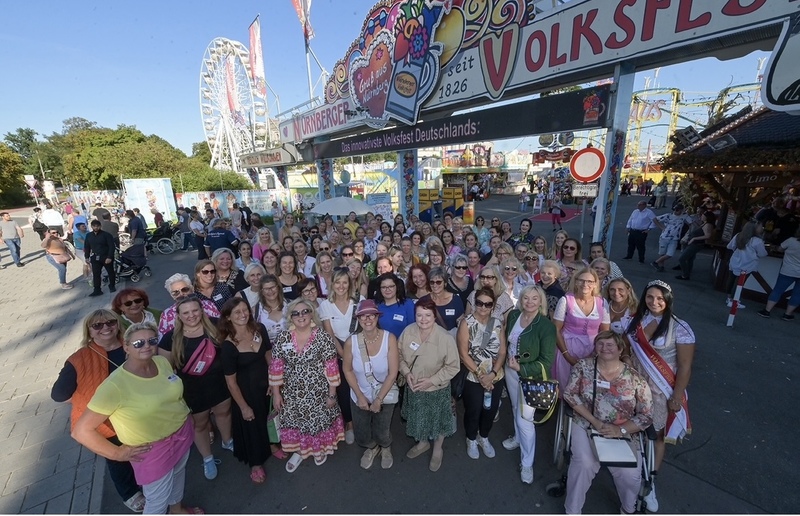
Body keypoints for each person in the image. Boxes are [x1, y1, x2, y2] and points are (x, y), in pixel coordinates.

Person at [72, 322, 202, 514]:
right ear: (126, 346)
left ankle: (177, 509)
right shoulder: (114, 385)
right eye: (139, 343)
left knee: (178, 476)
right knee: (157, 502)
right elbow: (80, 431)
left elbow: (173, 393)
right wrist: (118, 454)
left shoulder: (161, 362)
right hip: (152, 449)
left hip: (181, 434)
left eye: (152, 340)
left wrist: (186, 414)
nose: (146, 346)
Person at [52, 311, 144, 513]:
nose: (105, 328)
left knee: (141, 449)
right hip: (108, 422)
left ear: (118, 324)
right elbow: (59, 395)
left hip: (139, 413)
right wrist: (85, 400)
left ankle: (147, 478)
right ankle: (129, 492)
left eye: (110, 322)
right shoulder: (80, 358)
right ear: (89, 331)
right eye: (97, 325)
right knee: (117, 458)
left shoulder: (131, 345)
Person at [563, 331, 654, 514]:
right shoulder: (583, 366)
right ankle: (572, 510)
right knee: (584, 464)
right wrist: (594, 421)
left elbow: (646, 414)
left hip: (621, 431)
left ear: (620, 349)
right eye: (600, 344)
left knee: (630, 475)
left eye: (610, 345)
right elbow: (569, 394)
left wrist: (619, 430)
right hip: (587, 424)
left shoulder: (634, 378)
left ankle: (628, 509)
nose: (605, 348)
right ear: (595, 348)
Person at [626, 280, 696, 512]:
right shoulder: (637, 319)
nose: (654, 302)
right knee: (631, 430)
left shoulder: (681, 328)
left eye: (660, 298)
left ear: (668, 300)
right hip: (633, 386)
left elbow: (685, 367)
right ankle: (633, 474)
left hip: (660, 390)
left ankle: (650, 480)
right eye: (650, 297)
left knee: (655, 435)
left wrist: (676, 397)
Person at [159, 296, 233, 481]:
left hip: (220, 384)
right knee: (200, 425)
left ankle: (227, 441)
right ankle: (207, 458)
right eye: (186, 312)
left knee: (223, 413)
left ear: (202, 310)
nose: (191, 315)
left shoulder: (216, 326)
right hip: (192, 391)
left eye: (195, 310)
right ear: (178, 315)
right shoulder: (170, 339)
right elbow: (166, 371)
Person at [270, 299, 345, 471]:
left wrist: (332, 394)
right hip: (291, 392)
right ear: (290, 317)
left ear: (312, 314)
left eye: (305, 311)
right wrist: (276, 393)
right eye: (295, 313)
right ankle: (301, 450)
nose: (301, 316)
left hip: (318, 391)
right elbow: (276, 366)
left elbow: (331, 366)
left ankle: (318, 449)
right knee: (296, 422)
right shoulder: (283, 337)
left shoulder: (322, 336)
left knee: (317, 422)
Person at [501, 285, 557, 484]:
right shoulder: (515, 316)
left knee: (525, 420)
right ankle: (517, 438)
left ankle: (527, 463)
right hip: (510, 371)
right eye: (526, 298)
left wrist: (522, 369)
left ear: (541, 301)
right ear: (520, 299)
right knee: (515, 407)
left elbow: (546, 360)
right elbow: (507, 342)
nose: (530, 302)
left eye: (535, 298)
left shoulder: (546, 326)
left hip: (529, 377)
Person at [398, 298, 460, 472]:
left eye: (428, 315)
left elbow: (453, 366)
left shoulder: (445, 337)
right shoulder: (408, 332)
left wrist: (430, 381)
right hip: (414, 387)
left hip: (436, 388)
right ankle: (423, 442)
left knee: (439, 421)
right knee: (419, 417)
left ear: (434, 316)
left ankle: (438, 449)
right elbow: (399, 355)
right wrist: (406, 373)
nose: (423, 319)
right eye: (419, 315)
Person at [218, 298, 273, 483]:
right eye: (237, 312)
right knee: (252, 427)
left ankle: (272, 446)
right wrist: (243, 407)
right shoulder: (227, 346)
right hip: (246, 393)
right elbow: (231, 382)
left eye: (245, 310)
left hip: (266, 387)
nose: (243, 315)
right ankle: (256, 463)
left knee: (270, 419)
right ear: (228, 318)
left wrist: (274, 382)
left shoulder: (259, 329)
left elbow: (268, 355)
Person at [341, 300, 400, 470]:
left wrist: (378, 400)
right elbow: (348, 370)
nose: (367, 319)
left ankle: (385, 447)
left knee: (382, 429)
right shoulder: (351, 342)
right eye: (363, 316)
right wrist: (360, 397)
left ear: (377, 317)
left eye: (371, 315)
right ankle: (372, 448)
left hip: (384, 393)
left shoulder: (389, 338)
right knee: (361, 433)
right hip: (359, 394)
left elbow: (392, 372)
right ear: (358, 319)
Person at [457, 287, 507, 460]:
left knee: (490, 410)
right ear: (474, 303)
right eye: (479, 303)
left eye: (488, 304)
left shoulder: (498, 323)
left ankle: (483, 436)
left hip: (495, 376)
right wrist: (481, 375)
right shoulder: (466, 323)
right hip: (474, 376)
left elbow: (502, 352)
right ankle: (471, 438)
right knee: (474, 409)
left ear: (493, 306)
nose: (483, 307)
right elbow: (463, 354)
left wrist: (492, 374)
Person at [319, 269, 361, 445]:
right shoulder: (325, 305)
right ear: (332, 284)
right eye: (337, 282)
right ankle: (349, 424)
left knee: (362, 385)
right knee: (343, 389)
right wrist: (344, 356)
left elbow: (366, 326)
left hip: (359, 349)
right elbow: (329, 334)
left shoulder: (359, 302)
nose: (341, 286)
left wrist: (354, 355)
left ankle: (365, 419)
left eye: (345, 282)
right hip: (338, 351)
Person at [552, 268, 610, 390]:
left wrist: (596, 353)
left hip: (593, 351)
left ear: (595, 284)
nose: (585, 284)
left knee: (586, 388)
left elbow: (605, 332)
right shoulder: (566, 300)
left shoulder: (602, 303)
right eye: (581, 280)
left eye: (589, 281)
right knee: (565, 386)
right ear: (576, 282)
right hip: (567, 348)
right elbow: (556, 329)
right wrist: (567, 355)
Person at [158, 273, 221, 339]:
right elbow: (162, 340)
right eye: (176, 293)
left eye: (184, 289)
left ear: (192, 289)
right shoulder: (167, 314)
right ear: (172, 296)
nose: (181, 294)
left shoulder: (208, 305)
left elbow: (220, 327)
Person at [758, 227, 800, 320]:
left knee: (778, 290)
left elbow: (780, 249)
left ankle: (767, 311)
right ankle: (787, 314)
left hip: (788, 270)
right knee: (798, 294)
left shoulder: (791, 241)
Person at [725, 221, 768, 308]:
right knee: (739, 283)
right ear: (755, 229)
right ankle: (734, 301)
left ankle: (729, 298)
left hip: (735, 261)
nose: (762, 228)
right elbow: (762, 254)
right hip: (748, 264)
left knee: (731, 280)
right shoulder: (757, 241)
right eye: (760, 226)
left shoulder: (738, 236)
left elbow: (729, 246)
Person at [419, 266, 465, 336]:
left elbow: (461, 324)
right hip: (429, 338)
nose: (435, 285)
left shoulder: (456, 300)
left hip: (449, 340)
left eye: (438, 282)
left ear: (445, 283)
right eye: (432, 282)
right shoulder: (423, 300)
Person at [675, 211, 717, 281]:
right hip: (694, 243)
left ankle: (685, 274)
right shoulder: (704, 224)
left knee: (682, 258)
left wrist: (694, 238)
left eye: (703, 215)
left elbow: (707, 235)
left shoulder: (708, 225)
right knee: (690, 259)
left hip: (696, 244)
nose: (702, 216)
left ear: (707, 217)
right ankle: (687, 273)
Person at [374, 272, 416, 338]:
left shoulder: (407, 304)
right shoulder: (375, 305)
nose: (387, 290)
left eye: (391, 286)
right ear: (380, 289)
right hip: (382, 345)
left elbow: (413, 328)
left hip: (403, 345)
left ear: (396, 287)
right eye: (384, 287)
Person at [651, 204, 690, 272]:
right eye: (675, 210)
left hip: (674, 238)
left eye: (678, 210)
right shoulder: (668, 215)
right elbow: (655, 219)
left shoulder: (684, 216)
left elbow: (691, 223)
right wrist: (661, 227)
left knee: (670, 254)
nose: (676, 211)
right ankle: (661, 266)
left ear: (681, 210)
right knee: (662, 253)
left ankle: (655, 262)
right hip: (664, 236)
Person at [84, 220, 116, 296]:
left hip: (105, 256)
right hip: (95, 257)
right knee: (96, 274)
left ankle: (112, 286)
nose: (96, 227)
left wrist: (109, 257)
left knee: (110, 272)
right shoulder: (89, 235)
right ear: (91, 226)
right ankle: (97, 289)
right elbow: (87, 246)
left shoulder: (106, 235)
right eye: (94, 226)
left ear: (100, 226)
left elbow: (112, 246)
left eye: (97, 226)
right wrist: (87, 257)